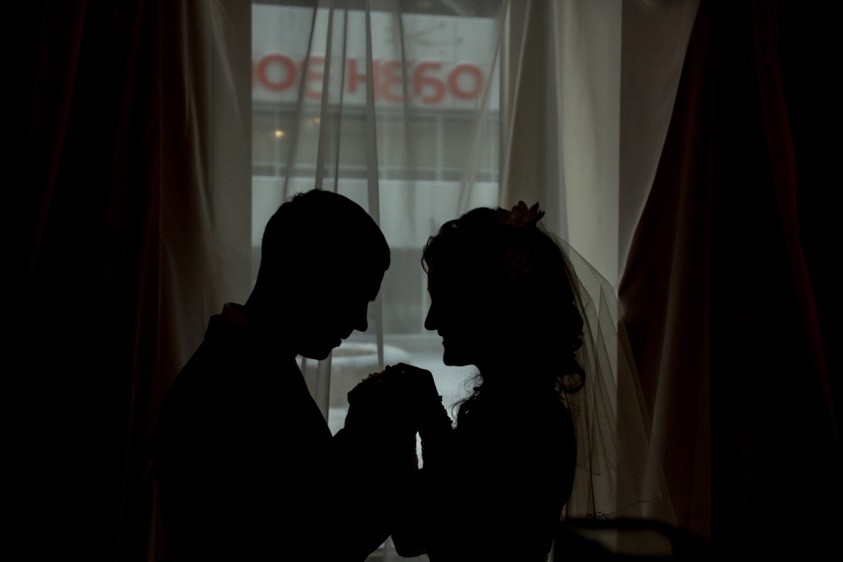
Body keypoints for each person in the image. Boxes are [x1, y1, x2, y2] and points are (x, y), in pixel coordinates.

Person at [151, 188, 401, 561]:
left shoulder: (236, 367)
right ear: (311, 278)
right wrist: (384, 449)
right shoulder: (237, 388)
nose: (361, 323)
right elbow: (320, 543)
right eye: (356, 298)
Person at [346, 201, 586, 561]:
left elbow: (419, 535)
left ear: (489, 305)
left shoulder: (524, 420)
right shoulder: (513, 406)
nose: (430, 322)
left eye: (444, 301)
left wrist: (423, 417)